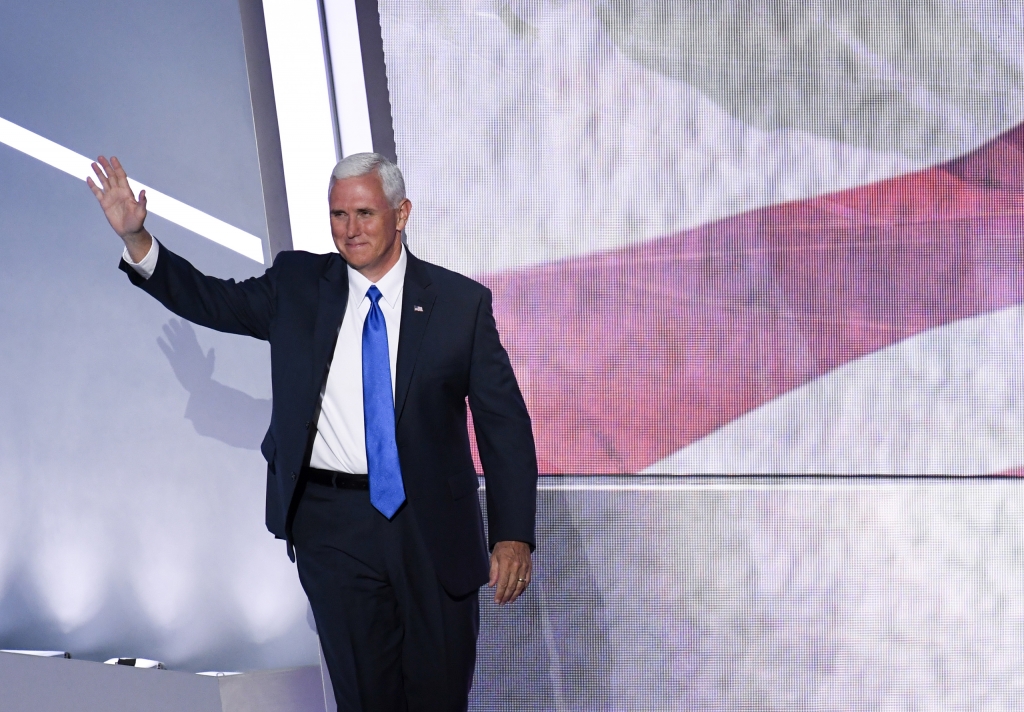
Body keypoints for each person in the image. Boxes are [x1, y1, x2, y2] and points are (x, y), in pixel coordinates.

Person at [87, 153, 538, 711]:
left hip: (431, 526)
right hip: (333, 526)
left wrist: (513, 533)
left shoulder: (460, 304)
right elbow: (214, 298)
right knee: (364, 697)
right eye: (338, 215)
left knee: (439, 694)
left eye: (365, 213)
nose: (351, 230)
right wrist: (138, 240)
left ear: (402, 214)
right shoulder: (299, 284)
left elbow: (504, 426)